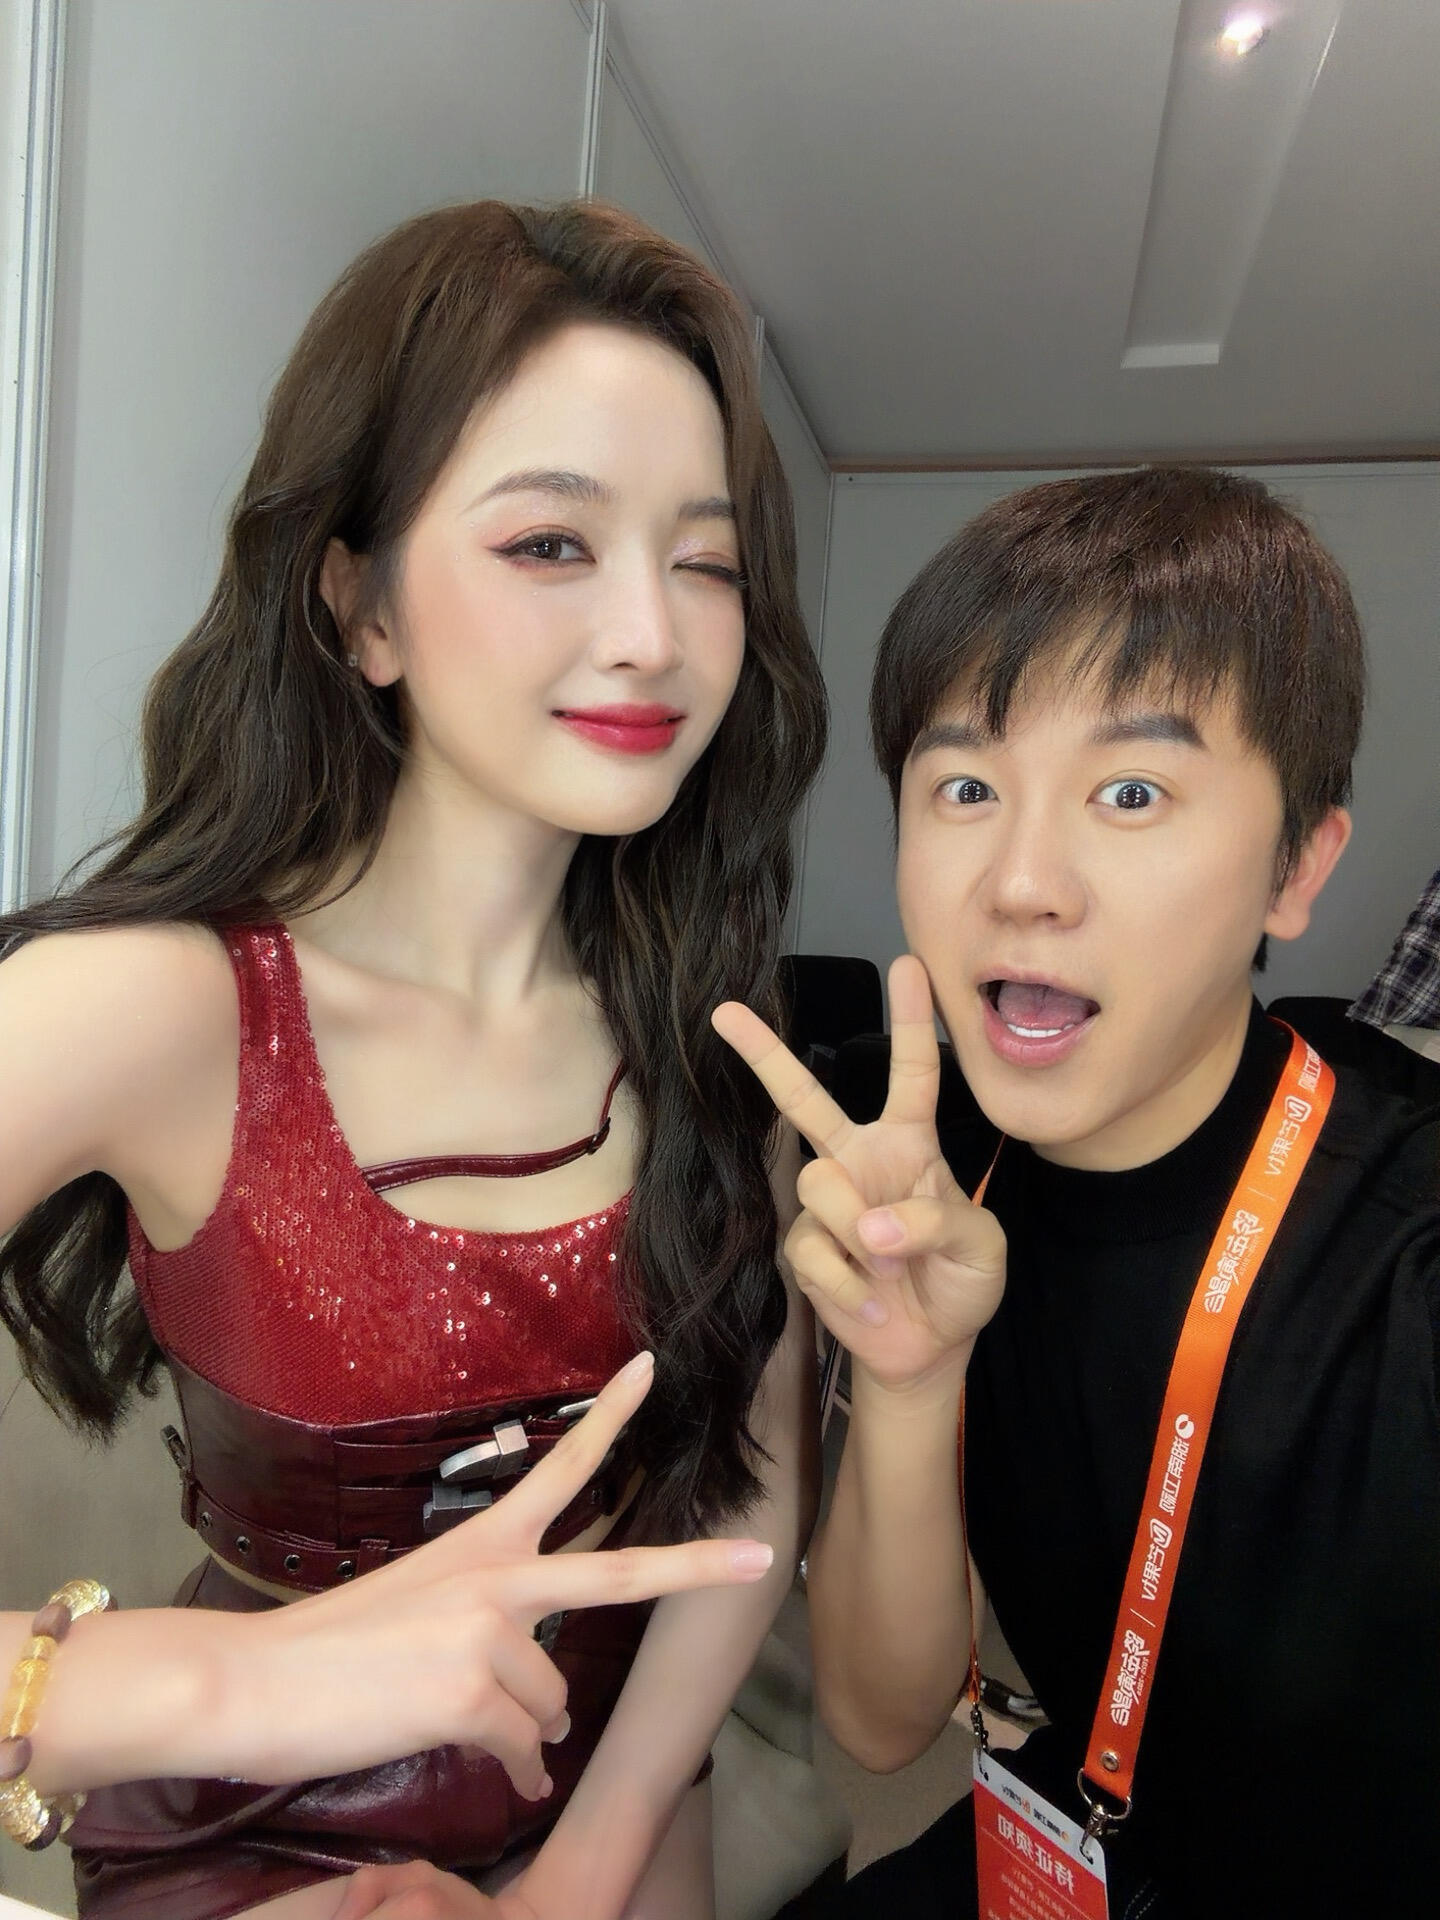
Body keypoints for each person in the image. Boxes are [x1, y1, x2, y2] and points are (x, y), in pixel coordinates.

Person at [0, 198, 826, 1920]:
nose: (655, 635)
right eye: (552, 542)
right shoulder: (147, 1009)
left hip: (608, 1807)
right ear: (360, 606)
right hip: (252, 1832)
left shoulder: (713, 1037)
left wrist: (588, 1867)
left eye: (706, 560)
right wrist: (232, 1680)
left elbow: (742, 1491)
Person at [717, 467, 1440, 1918]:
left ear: (1297, 866)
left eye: (1131, 792)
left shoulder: (1402, 1244)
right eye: (967, 788)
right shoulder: (934, 1164)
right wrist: (907, 1380)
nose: (1024, 882)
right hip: (1088, 1848)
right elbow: (880, 1725)